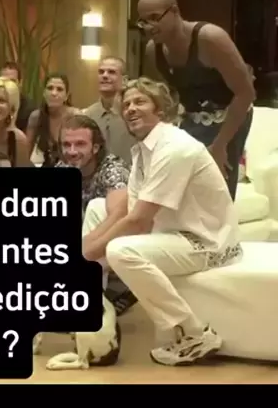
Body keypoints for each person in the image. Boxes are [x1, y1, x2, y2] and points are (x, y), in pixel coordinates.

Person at [83, 77, 242, 366]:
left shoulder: (174, 148)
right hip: (173, 232)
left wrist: (87, 254)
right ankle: (89, 302)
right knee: (97, 207)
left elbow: (139, 221)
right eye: (126, 104)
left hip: (207, 243)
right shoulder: (143, 151)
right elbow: (128, 209)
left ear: (160, 110)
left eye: (140, 102)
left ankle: (194, 333)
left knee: (121, 250)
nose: (131, 109)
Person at [137, 0, 255, 199]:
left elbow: (246, 93)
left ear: (174, 11)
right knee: (182, 185)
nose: (149, 26)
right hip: (191, 117)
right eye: (143, 21)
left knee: (216, 185)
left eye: (155, 17)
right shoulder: (153, 50)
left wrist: (220, 145)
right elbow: (162, 96)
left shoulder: (210, 39)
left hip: (231, 115)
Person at [55, 114, 134, 314]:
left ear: (96, 147)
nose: (72, 151)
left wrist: (83, 249)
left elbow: (119, 216)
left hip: (120, 238)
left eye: (80, 144)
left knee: (97, 206)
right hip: (88, 243)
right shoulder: (64, 167)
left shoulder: (112, 169)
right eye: (66, 145)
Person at [84, 56, 136, 166]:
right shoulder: (88, 115)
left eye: (111, 72)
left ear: (124, 80)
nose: (105, 75)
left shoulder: (132, 113)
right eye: (101, 72)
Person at [25, 72, 80, 167]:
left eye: (59, 89)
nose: (54, 93)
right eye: (50, 88)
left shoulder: (75, 116)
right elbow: (26, 154)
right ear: (44, 93)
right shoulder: (36, 117)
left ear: (66, 96)